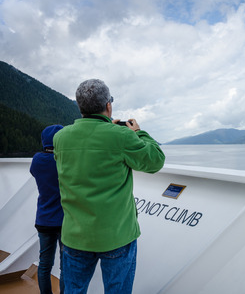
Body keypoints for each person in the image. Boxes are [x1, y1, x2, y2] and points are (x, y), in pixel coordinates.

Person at [53, 79, 165, 293]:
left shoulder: (60, 138)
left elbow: (86, 158)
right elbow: (156, 161)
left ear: (80, 107)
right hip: (117, 236)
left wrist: (108, 131)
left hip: (75, 235)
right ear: (108, 106)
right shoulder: (121, 136)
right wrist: (139, 133)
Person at [30, 124, 65, 294]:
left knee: (44, 264)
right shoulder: (64, 161)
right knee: (65, 266)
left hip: (43, 220)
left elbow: (34, 173)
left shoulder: (37, 160)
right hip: (64, 222)